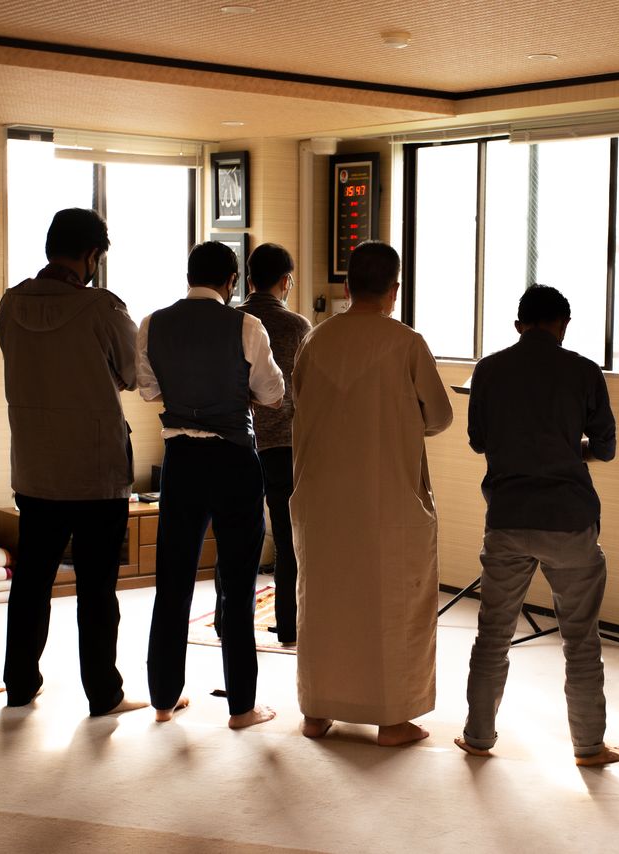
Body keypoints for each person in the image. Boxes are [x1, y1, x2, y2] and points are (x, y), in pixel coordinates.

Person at [454, 285, 619, 766]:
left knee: (493, 634)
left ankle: (478, 737)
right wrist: (574, 449)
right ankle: (589, 746)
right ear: (564, 326)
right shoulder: (584, 370)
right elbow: (607, 448)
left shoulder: (488, 370)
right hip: (570, 522)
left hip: (507, 517)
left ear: (518, 325)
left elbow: (477, 441)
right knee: (580, 638)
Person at [290, 240, 453, 746]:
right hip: (387, 496)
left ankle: (317, 711)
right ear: (394, 291)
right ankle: (391, 718)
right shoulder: (406, 343)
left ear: (345, 287)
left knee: (324, 599)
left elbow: (300, 403)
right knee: (393, 599)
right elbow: (441, 416)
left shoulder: (315, 341)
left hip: (322, 497)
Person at [0, 208, 146, 717]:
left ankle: (19, 683)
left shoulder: (9, 304)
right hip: (96, 470)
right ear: (92, 256)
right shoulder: (103, 309)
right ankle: (103, 693)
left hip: (35, 466)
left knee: (33, 582)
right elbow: (132, 374)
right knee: (97, 590)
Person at [137, 241, 283, 727]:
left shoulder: (153, 324)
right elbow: (272, 392)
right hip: (234, 459)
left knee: (172, 579)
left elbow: (149, 389)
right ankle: (242, 706)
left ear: (188, 276)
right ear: (232, 281)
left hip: (180, 458)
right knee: (239, 583)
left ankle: (162, 697)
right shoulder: (246, 326)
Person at [237, 243, 311, 646]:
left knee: (237, 538)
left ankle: (230, 620)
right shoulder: (297, 327)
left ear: (249, 279)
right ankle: (288, 626)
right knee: (287, 540)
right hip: (284, 445)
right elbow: (307, 389)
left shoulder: (231, 320)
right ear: (286, 281)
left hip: (240, 443)